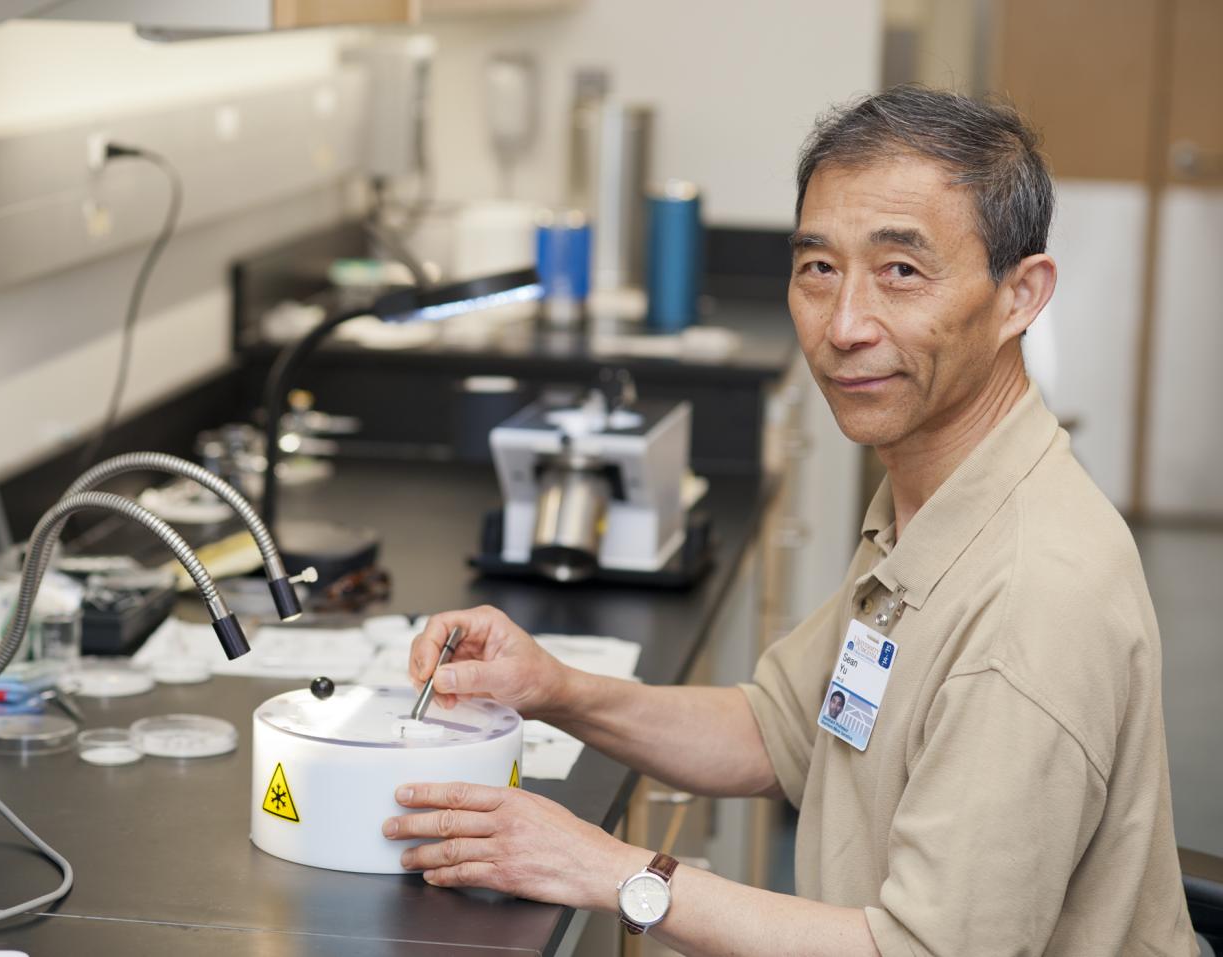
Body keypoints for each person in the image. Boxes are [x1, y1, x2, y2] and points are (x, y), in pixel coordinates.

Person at [383, 86, 1198, 956]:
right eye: (818, 268)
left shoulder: (1032, 597)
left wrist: (613, 870)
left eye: (902, 272)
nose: (845, 325)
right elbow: (780, 729)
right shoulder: (936, 502)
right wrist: (555, 689)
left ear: (1019, 296)